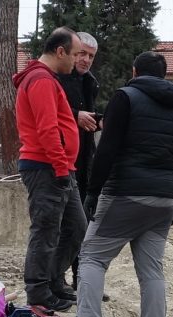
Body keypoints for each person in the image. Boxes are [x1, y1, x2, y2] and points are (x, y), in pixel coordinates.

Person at [56, 51, 173, 317]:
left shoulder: (126, 97)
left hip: (125, 194)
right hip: (164, 201)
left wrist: (92, 191)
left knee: (91, 256)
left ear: (134, 71)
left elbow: (107, 149)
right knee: (151, 272)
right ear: (164, 74)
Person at [14, 27, 87, 312]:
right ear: (60, 52)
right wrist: (59, 167)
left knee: (75, 227)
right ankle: (38, 292)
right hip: (47, 167)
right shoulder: (41, 80)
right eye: (75, 54)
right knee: (46, 229)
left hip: (59, 167)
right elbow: (47, 129)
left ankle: (54, 280)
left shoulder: (47, 80)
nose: (77, 60)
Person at [58, 31, 101, 294]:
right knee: (65, 225)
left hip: (85, 159)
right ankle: (56, 278)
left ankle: (80, 278)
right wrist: (75, 115)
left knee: (83, 222)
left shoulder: (90, 83)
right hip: (61, 160)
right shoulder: (58, 80)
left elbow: (88, 118)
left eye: (91, 56)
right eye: (82, 53)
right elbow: (51, 112)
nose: (85, 60)